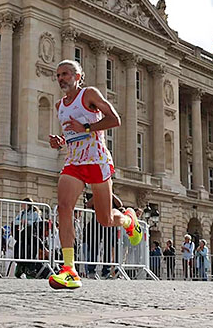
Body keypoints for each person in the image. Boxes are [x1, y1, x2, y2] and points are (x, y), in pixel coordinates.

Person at [48, 60, 142, 290]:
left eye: (66, 74)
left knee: (105, 219)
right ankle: (69, 269)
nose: (61, 78)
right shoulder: (59, 105)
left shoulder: (89, 94)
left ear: (78, 76)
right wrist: (61, 142)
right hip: (74, 161)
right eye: (58, 75)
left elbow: (115, 120)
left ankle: (129, 219)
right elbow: (72, 133)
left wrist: (87, 128)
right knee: (63, 207)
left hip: (97, 160)